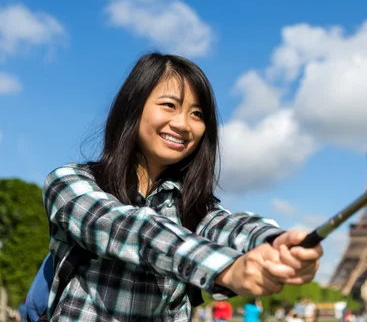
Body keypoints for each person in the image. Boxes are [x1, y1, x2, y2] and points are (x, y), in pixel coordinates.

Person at [42, 52, 324, 321]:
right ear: (133, 106)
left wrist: (277, 244)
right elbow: (129, 229)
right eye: (169, 105)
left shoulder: (193, 208)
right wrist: (225, 268)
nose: (183, 124)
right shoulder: (69, 183)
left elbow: (232, 226)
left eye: (197, 114)